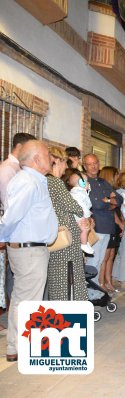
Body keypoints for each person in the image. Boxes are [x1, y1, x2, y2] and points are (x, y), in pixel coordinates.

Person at [0, 140, 58, 362]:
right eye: (47, 154)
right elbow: (11, 216)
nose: (51, 158)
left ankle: (16, 346)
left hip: (30, 249)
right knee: (28, 302)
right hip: (29, 251)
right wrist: (3, 237)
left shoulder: (34, 180)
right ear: (36, 159)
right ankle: (23, 348)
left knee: (22, 299)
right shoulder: (28, 182)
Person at [0, 132, 36, 335]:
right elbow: (10, 206)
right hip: (16, 234)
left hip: (20, 233)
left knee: (17, 283)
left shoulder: (19, 170)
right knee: (18, 286)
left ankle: (20, 327)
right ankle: (17, 330)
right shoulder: (7, 169)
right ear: (20, 146)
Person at [46, 148, 88, 302]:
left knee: (58, 277)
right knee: (68, 277)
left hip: (55, 234)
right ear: (58, 161)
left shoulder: (45, 181)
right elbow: (74, 206)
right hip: (65, 238)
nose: (66, 167)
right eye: (65, 162)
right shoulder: (55, 182)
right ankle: (68, 315)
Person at [82, 154, 123, 289]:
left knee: (100, 260)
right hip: (95, 227)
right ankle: (90, 293)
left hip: (107, 226)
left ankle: (95, 291)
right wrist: (109, 200)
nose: (93, 166)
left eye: (95, 163)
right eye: (90, 164)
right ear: (84, 166)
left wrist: (108, 200)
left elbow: (119, 200)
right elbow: (96, 204)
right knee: (93, 261)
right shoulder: (84, 181)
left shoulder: (104, 182)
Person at [65, 165, 94, 254]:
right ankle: (84, 244)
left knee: (86, 229)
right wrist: (88, 215)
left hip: (79, 215)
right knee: (85, 228)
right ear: (81, 183)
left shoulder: (79, 192)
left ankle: (85, 242)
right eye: (87, 181)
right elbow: (82, 207)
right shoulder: (78, 193)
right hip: (79, 216)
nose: (88, 183)